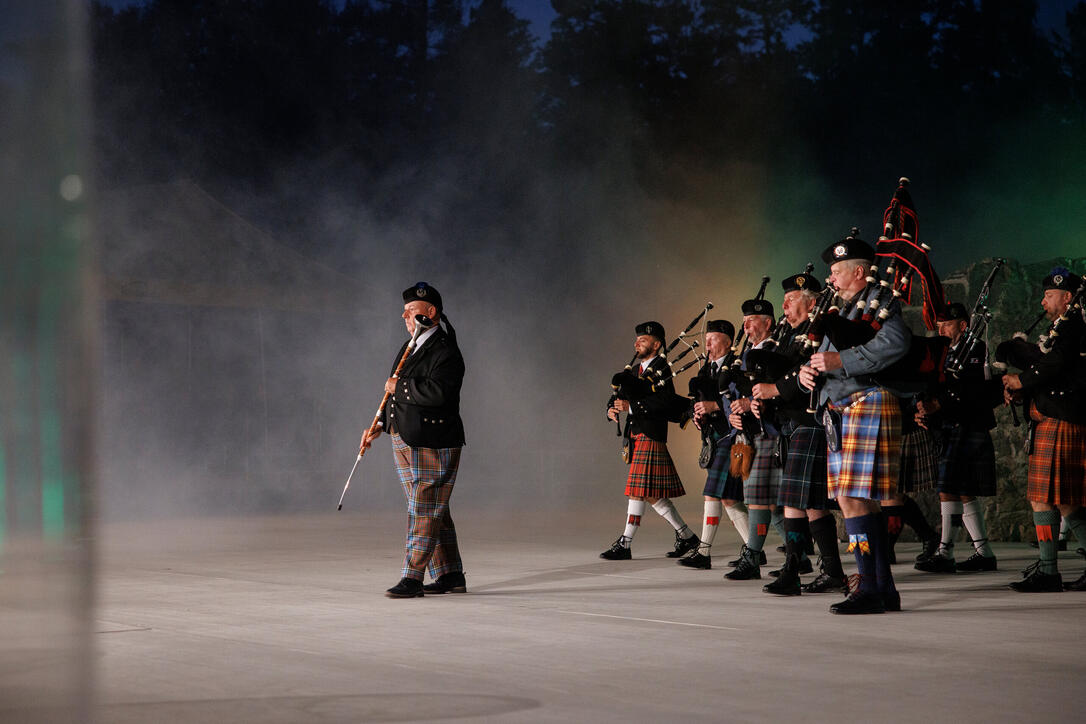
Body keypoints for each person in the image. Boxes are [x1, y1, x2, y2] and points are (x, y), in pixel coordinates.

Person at [798, 232, 910, 614]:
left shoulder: (880, 303)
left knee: (852, 498)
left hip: (868, 401)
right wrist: (807, 374)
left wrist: (840, 362)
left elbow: (897, 344)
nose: (831, 279)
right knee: (855, 499)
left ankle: (869, 588)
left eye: (837, 272)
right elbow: (822, 358)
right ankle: (882, 588)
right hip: (840, 409)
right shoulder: (839, 311)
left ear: (859, 272)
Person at [361, 282, 467, 599]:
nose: (405, 317)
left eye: (412, 311)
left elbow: (439, 393)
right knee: (433, 508)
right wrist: (379, 424)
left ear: (431, 312)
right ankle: (450, 574)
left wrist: (400, 385)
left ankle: (413, 577)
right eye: (405, 312)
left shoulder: (446, 351)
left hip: (433, 440)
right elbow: (393, 398)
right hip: (405, 436)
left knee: (424, 508)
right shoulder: (410, 347)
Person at [753, 271, 848, 596]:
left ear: (809, 304)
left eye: (790, 301)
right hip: (790, 423)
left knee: (796, 500)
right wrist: (761, 401)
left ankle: (794, 569)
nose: (784, 306)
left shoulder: (820, 330)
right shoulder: (784, 333)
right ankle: (832, 571)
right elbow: (776, 371)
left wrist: (773, 389)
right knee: (810, 503)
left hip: (811, 422)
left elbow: (807, 373)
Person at [1003, 269, 1086, 591]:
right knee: (1066, 503)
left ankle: (1049, 571)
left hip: (1060, 420)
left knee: (1043, 499)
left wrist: (1021, 380)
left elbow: (1057, 365)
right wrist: (1024, 391)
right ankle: (1048, 568)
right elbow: (1057, 373)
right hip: (1052, 419)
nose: (1043, 301)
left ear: (1067, 297)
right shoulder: (1064, 328)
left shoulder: (1073, 327)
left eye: (1049, 295)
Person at [914, 302, 999, 573]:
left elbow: (972, 389)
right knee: (951, 488)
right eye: (938, 324)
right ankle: (969, 552)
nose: (941, 328)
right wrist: (921, 408)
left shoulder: (976, 348)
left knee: (960, 489)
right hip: (947, 426)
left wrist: (939, 404)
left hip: (969, 423)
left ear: (963, 325)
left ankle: (955, 552)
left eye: (947, 324)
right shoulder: (938, 350)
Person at [602, 322, 698, 560]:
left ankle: (625, 543)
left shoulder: (662, 368)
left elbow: (665, 403)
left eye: (643, 340)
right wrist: (611, 410)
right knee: (651, 494)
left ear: (656, 344)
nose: (637, 343)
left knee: (637, 491)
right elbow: (617, 396)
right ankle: (687, 537)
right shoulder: (634, 371)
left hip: (650, 434)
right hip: (635, 436)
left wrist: (631, 407)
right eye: (636, 339)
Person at [679, 319, 752, 569]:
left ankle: (704, 551)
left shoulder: (736, 367)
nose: (708, 342)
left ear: (729, 342)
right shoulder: (705, 370)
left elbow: (742, 401)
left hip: (733, 438)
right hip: (714, 439)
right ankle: (754, 549)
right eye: (707, 338)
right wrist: (696, 414)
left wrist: (714, 407)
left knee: (715, 494)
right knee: (729, 498)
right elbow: (695, 402)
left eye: (714, 338)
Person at [723, 298, 783, 581]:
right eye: (744, 320)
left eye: (751, 320)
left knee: (760, 500)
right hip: (747, 435)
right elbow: (731, 393)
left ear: (768, 323)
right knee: (771, 503)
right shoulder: (745, 355)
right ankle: (801, 555)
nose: (745, 326)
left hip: (768, 432)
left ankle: (753, 557)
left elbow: (776, 390)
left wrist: (748, 403)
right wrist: (732, 416)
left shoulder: (777, 351)